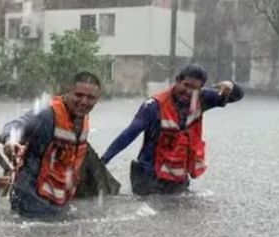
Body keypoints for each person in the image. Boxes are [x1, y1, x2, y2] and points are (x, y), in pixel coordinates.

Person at [101, 64, 244, 196]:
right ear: (177, 80)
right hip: (149, 176)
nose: (188, 92)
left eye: (194, 88)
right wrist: (104, 161)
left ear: (200, 89)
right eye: (185, 85)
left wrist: (230, 85)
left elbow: (237, 96)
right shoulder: (153, 106)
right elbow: (129, 134)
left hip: (178, 177)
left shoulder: (202, 99)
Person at [1, 72, 102, 218]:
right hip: (31, 200)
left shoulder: (82, 118)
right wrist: (11, 140)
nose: (84, 102)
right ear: (68, 91)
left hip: (58, 201)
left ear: (97, 99)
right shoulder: (47, 114)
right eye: (79, 95)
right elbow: (16, 125)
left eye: (90, 98)